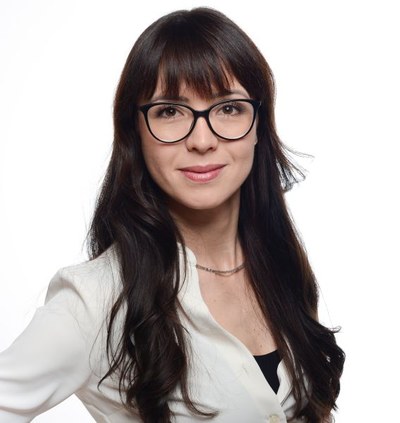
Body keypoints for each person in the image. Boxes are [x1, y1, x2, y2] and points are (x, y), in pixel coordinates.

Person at [0, 7, 345, 423]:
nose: (202, 140)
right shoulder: (97, 298)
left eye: (228, 108)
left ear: (259, 124)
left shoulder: (280, 265)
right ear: (135, 132)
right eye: (169, 111)